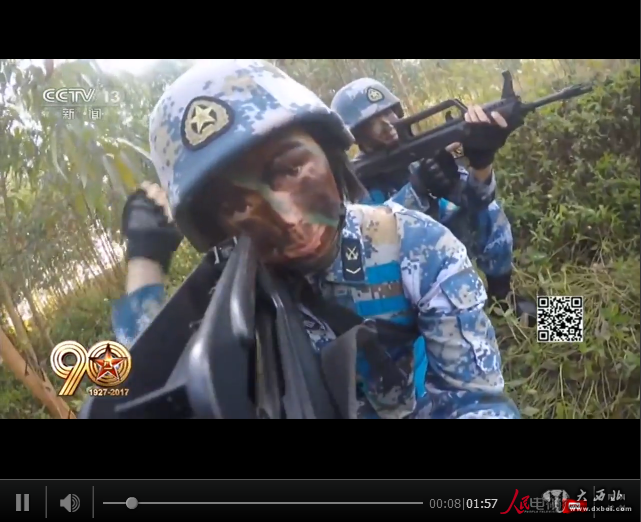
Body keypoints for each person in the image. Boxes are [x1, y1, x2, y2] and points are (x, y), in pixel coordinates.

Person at [114, 59, 519, 419]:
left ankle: (510, 298)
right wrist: (144, 264)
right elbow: (155, 384)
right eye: (239, 205)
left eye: (292, 170)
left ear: (328, 151)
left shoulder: (413, 241)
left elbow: (474, 399)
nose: (289, 219)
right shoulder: (237, 301)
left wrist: (478, 167)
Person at [331, 78, 537, 328]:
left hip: (446, 250)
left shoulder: (419, 153)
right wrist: (418, 190)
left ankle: (503, 300)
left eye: (388, 112)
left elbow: (477, 199)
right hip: (404, 284)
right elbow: (368, 244)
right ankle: (445, 325)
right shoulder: (354, 182)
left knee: (489, 212)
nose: (387, 124)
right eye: (372, 121)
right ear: (355, 135)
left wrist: (482, 161)